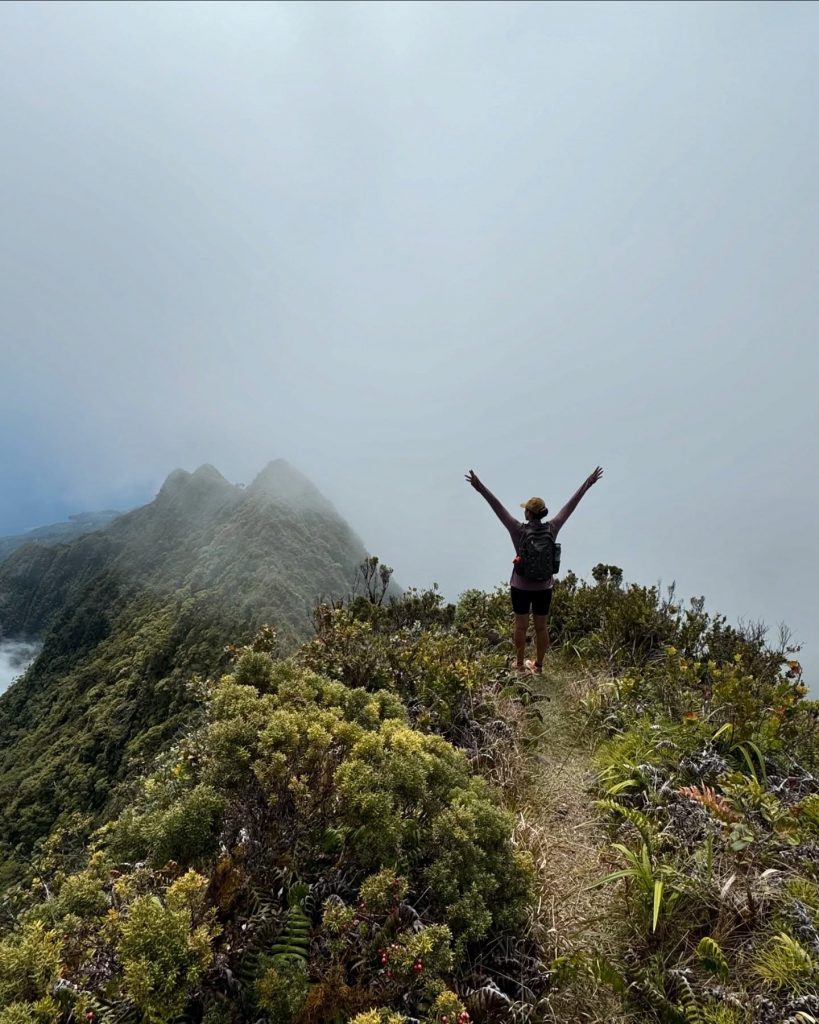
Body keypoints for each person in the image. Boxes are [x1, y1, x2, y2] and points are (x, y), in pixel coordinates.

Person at [465, 466, 603, 673]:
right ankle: (538, 666)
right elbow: (570, 506)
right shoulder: (552, 528)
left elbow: (498, 508)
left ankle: (519, 665)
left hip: (520, 585)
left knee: (520, 626)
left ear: (529, 513)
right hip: (543, 587)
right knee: (541, 627)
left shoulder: (517, 529)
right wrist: (588, 483)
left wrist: (479, 487)